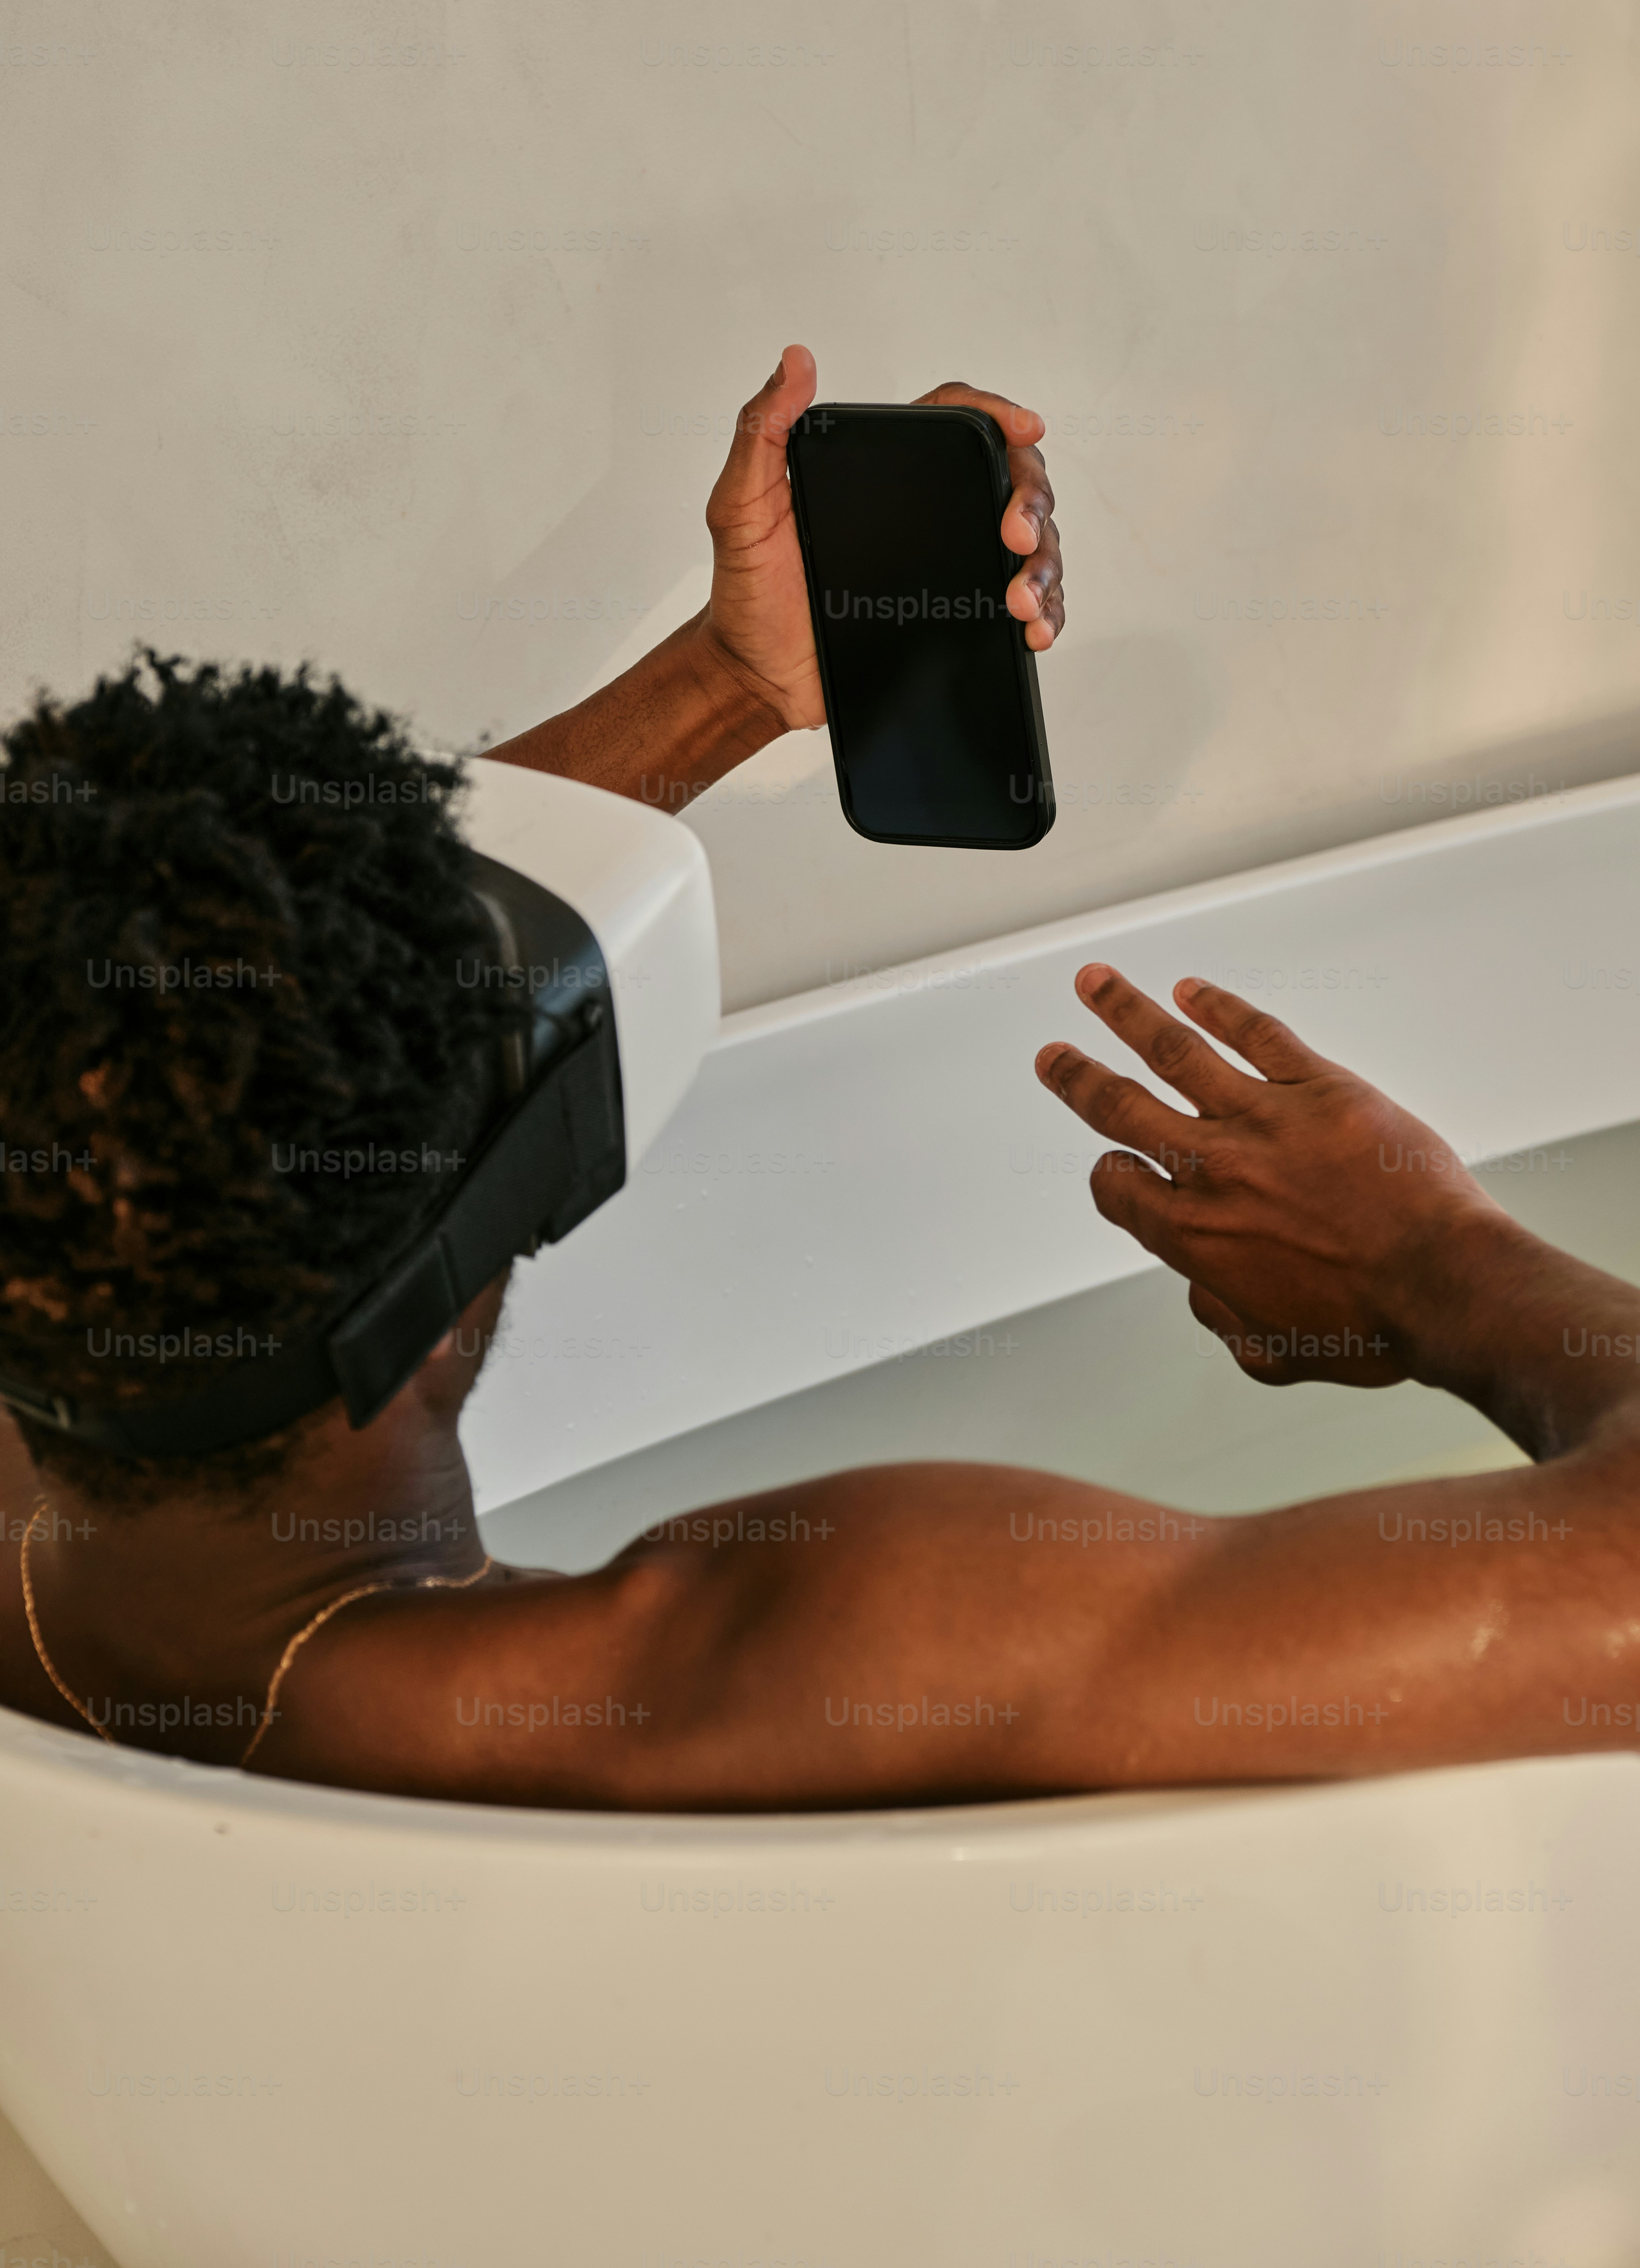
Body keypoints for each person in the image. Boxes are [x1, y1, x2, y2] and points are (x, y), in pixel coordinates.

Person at [1, 349, 1637, 1812]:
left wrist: (732, 676)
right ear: (429, 1311)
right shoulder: (785, 1661)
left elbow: (186, 1000)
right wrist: (1437, 1267)